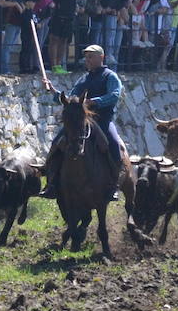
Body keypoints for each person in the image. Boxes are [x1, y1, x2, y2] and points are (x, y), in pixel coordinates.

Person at [39, 44, 126, 200]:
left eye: (90, 57)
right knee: (56, 143)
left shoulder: (110, 76)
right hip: (81, 122)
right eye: (86, 57)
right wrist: (53, 91)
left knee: (113, 144)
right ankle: (51, 183)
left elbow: (114, 96)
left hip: (102, 121)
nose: (87, 60)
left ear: (101, 57)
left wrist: (95, 102)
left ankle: (114, 185)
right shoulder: (83, 79)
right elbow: (71, 99)